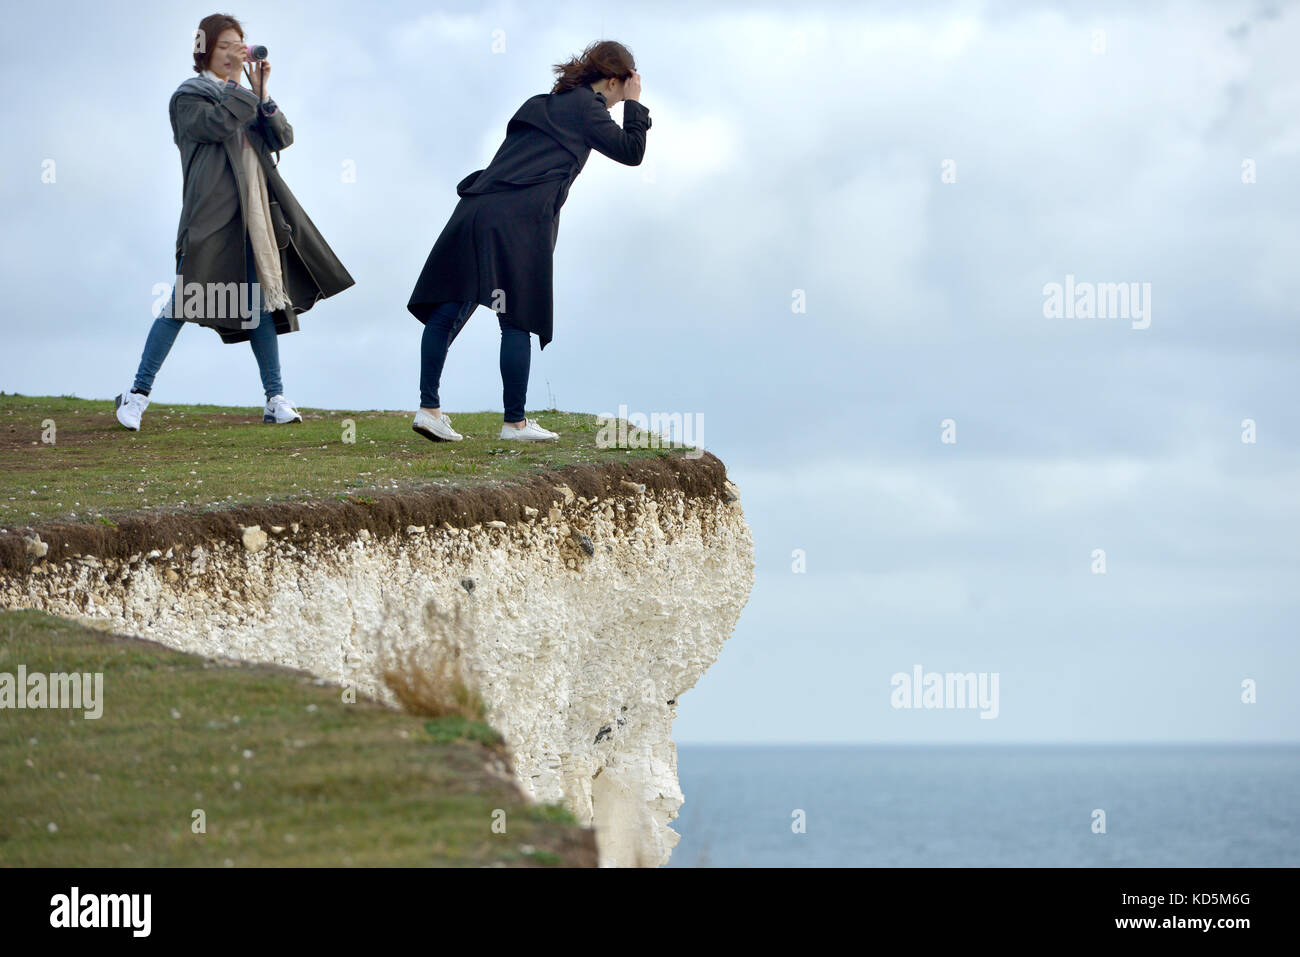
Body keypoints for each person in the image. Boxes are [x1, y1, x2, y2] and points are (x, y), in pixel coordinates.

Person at [115, 13, 354, 431]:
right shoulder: (190, 96)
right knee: (181, 303)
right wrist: (243, 93)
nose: (232, 53)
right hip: (209, 217)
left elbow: (283, 137)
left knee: (260, 305)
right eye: (224, 46)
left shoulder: (245, 99)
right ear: (205, 49)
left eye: (238, 46)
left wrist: (263, 93)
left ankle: (275, 398)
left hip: (256, 219)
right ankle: (136, 395)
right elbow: (215, 125)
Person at [407, 39, 651, 443]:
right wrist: (635, 106)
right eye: (625, 83)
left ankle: (428, 409)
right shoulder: (588, 109)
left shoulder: (543, 102)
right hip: (517, 224)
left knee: (449, 307)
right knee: (517, 319)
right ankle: (514, 423)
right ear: (613, 80)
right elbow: (632, 151)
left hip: (477, 210)